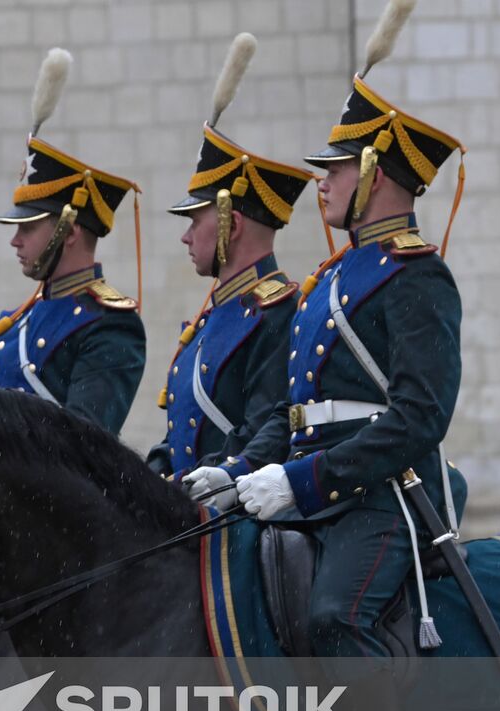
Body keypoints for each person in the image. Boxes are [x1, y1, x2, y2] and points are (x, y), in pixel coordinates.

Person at [187, 7, 469, 711]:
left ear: (378, 169)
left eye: (338, 168)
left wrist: (305, 483)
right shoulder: (332, 278)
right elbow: (288, 408)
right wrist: (239, 472)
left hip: (378, 498)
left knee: (332, 616)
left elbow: (420, 419)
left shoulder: (419, 279)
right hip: (302, 486)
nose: (323, 183)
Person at [148, 33, 318, 480]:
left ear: (231, 224)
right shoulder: (214, 316)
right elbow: (183, 434)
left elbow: (267, 425)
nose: (185, 237)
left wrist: (220, 474)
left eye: (195, 221)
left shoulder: (278, 311)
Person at [0, 48, 146, 437]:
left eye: (29, 229)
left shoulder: (109, 324)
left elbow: (83, 445)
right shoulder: (15, 324)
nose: (14, 240)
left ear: (69, 230)